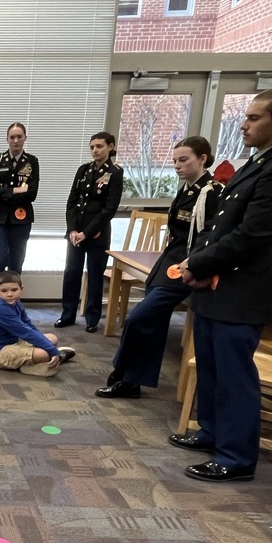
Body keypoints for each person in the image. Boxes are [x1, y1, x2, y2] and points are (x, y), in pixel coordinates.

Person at [171, 87, 272, 483]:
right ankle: (212, 433)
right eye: (245, 117)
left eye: (253, 118)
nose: (243, 124)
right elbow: (219, 226)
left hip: (242, 288)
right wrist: (199, 264)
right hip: (218, 285)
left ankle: (235, 456)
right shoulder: (257, 163)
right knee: (212, 367)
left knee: (234, 375)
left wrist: (199, 262)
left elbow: (253, 234)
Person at [96, 136, 224, 399]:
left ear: (202, 159)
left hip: (188, 268)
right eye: (175, 160)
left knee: (138, 318)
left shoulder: (211, 193)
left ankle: (123, 372)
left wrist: (194, 264)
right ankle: (133, 381)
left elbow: (210, 235)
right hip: (168, 264)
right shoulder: (188, 189)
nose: (177, 166)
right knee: (151, 323)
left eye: (184, 160)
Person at [56, 131, 124, 333]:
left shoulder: (115, 172)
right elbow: (72, 202)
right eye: (92, 147)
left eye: (100, 146)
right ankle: (67, 314)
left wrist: (86, 232)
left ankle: (92, 318)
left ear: (110, 147)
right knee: (71, 273)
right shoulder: (84, 170)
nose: (95, 150)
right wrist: (72, 229)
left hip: (97, 234)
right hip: (76, 232)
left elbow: (109, 209)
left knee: (95, 275)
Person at [0, 271, 75, 376]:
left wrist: (48, 346)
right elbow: (25, 332)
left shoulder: (16, 302)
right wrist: (52, 350)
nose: (9, 294)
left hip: (11, 341)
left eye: (14, 290)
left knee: (52, 338)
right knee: (44, 354)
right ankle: (41, 363)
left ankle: (44, 359)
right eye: (4, 291)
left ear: (21, 289)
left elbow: (29, 326)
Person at [0, 122, 39, 295]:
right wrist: (15, 190)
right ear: (7, 139)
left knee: (16, 263)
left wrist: (5, 193)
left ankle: (12, 302)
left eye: (19, 137)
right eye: (12, 137)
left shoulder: (31, 161)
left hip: (21, 218)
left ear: (25, 138)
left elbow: (31, 194)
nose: (15, 141)